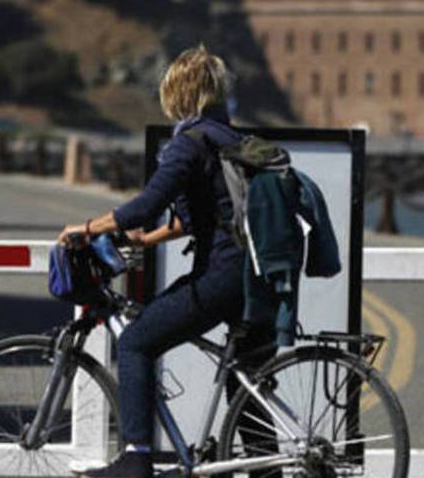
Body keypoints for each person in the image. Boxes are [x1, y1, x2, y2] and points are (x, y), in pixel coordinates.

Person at [58, 45, 276, 478]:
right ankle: (268, 469)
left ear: (178, 94)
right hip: (259, 278)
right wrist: (151, 239)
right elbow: (207, 214)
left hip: (222, 274)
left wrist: (88, 228)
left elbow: (146, 204)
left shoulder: (189, 144)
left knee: (137, 341)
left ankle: (137, 457)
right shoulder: (233, 141)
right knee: (243, 379)